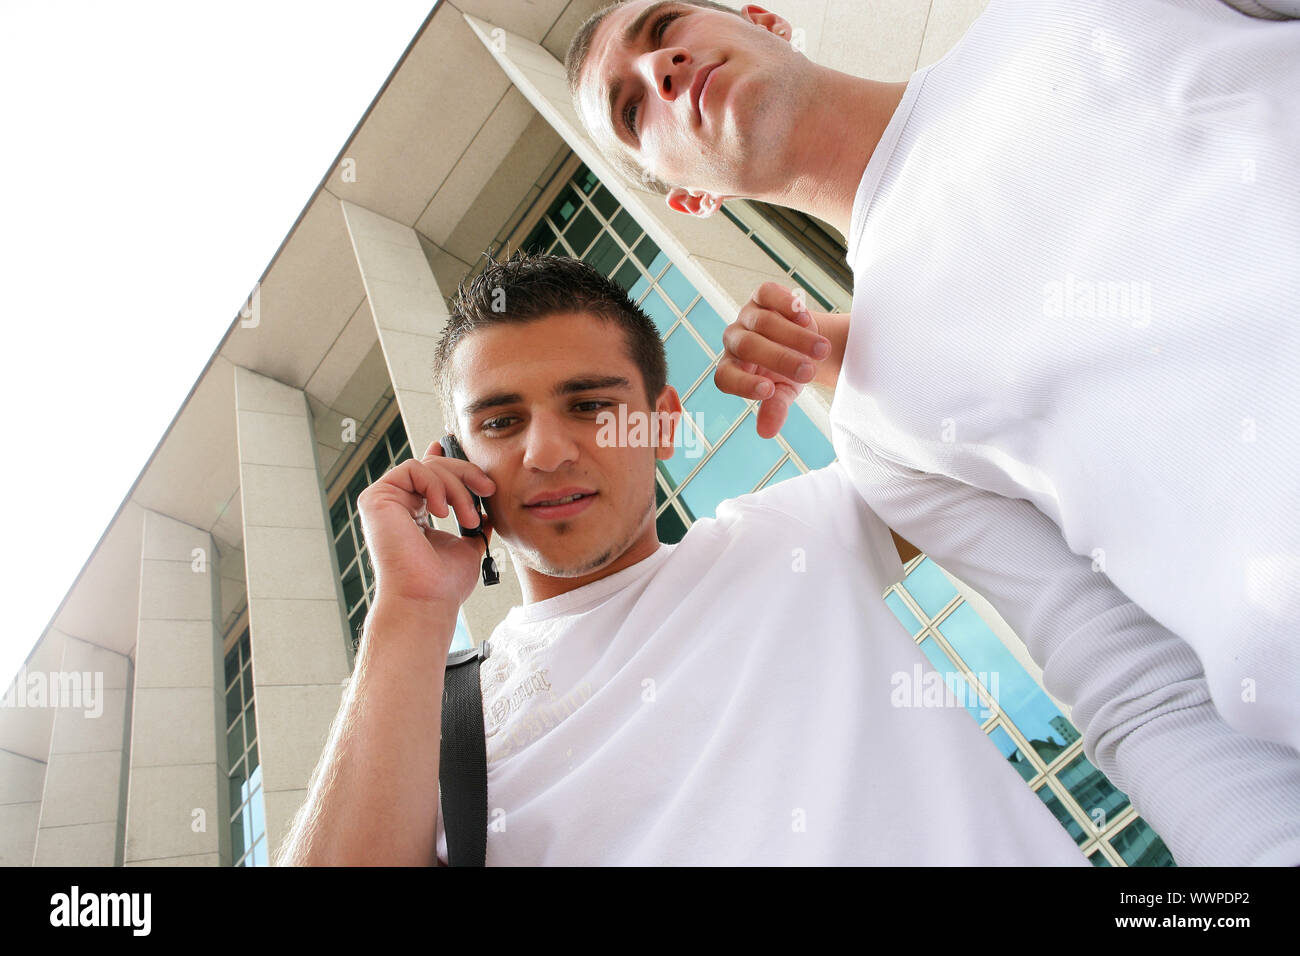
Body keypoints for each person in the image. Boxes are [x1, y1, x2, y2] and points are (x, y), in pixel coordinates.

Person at [565, 0, 1300, 850]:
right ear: (691, 199)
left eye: (665, 27)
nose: (661, 71)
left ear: (764, 19)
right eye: (631, 109)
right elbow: (1139, 692)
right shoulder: (878, 425)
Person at [281, 250, 1160, 866]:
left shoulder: (794, 533)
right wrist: (413, 608)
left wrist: (829, 347)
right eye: (502, 422)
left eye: (590, 405)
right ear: (455, 454)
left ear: (662, 422)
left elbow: (1043, 367)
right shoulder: (431, 731)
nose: (545, 452)